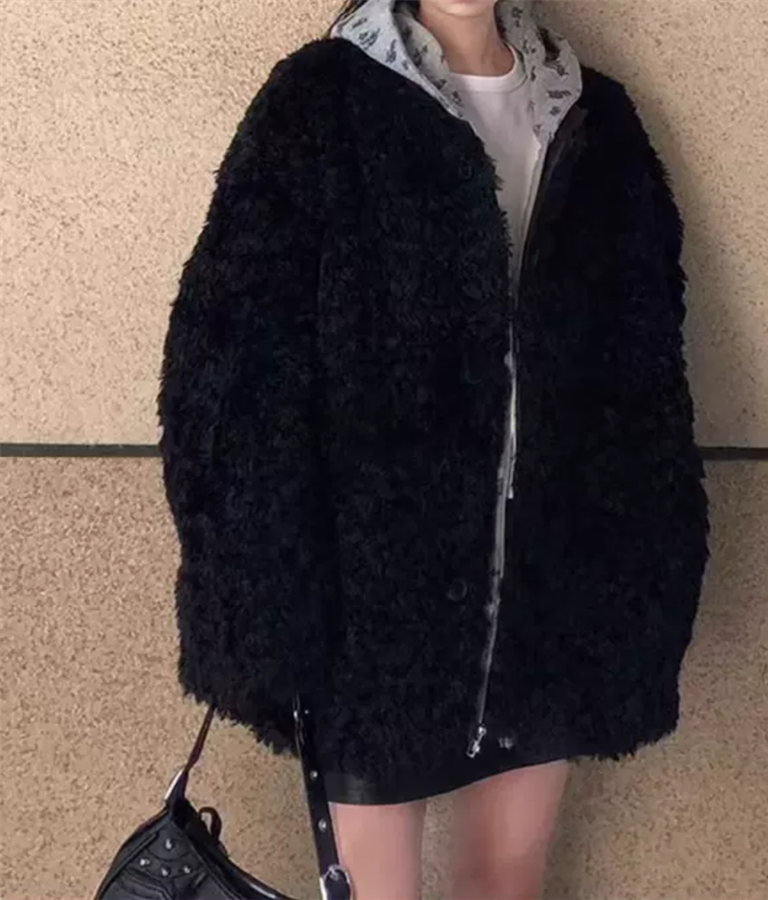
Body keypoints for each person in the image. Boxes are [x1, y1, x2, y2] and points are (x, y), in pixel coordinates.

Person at [156, 0, 711, 897]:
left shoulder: (593, 116)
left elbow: (644, 372)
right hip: (375, 606)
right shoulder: (322, 100)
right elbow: (228, 366)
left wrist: (643, 570)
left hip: (547, 601)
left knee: (507, 877)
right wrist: (263, 598)